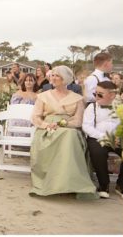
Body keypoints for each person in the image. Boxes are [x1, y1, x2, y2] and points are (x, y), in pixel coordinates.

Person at [30, 65, 96, 198]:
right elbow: (35, 117)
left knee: (69, 135)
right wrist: (46, 125)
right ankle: (54, 183)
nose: (53, 78)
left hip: (68, 128)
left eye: (57, 75)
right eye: (52, 75)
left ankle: (71, 183)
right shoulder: (43, 96)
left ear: (65, 79)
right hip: (47, 128)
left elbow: (78, 121)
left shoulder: (77, 98)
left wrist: (63, 124)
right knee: (64, 136)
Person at [82, 80, 123, 199]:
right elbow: (87, 127)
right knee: (98, 153)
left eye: (100, 94)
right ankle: (103, 185)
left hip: (117, 139)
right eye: (95, 93)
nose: (96, 96)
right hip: (97, 138)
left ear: (112, 95)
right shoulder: (91, 107)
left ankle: (122, 185)